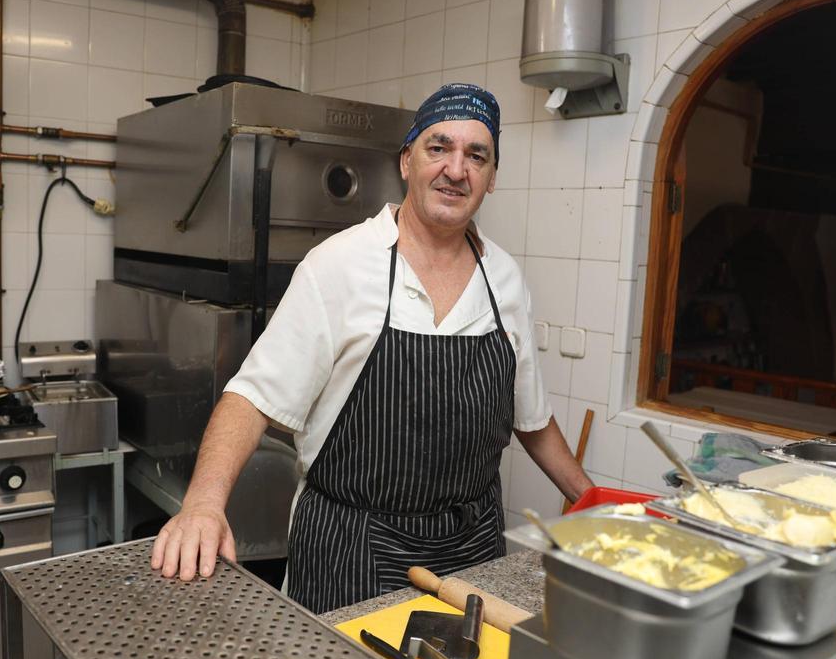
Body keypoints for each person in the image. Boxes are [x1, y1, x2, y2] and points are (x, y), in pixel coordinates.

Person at [150, 83, 594, 613]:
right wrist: (202, 505)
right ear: (406, 161)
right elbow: (251, 399)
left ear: (492, 178)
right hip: (352, 551)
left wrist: (596, 505)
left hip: (473, 553)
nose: (457, 169)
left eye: (476, 155)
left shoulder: (505, 279)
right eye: (439, 148)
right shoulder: (339, 265)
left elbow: (532, 419)